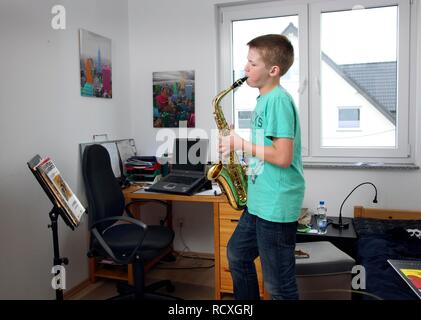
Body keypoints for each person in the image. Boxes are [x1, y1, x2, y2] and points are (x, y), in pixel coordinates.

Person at [219, 34, 305, 300]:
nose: (245, 68)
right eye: (247, 61)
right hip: (259, 203)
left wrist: (240, 143)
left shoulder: (278, 100)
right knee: (237, 254)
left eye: (252, 63)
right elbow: (265, 153)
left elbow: (282, 157)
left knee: (279, 286)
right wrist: (242, 159)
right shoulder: (263, 101)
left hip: (275, 207)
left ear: (273, 70)